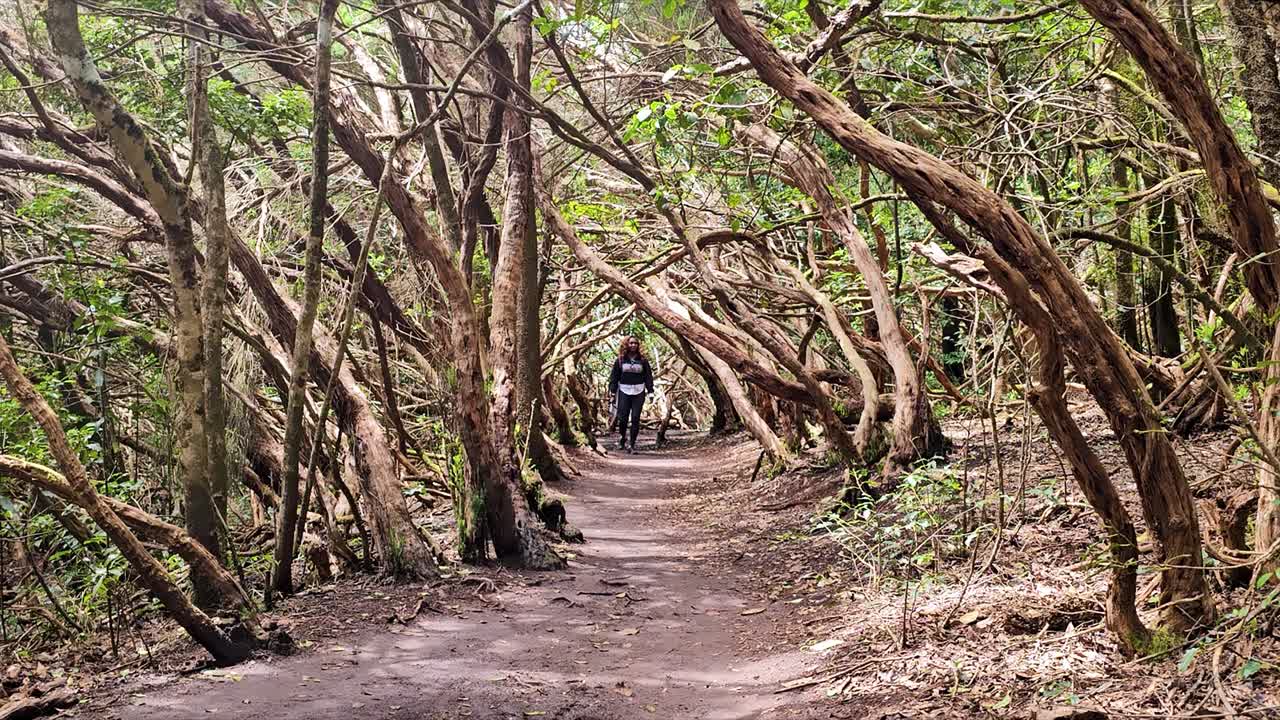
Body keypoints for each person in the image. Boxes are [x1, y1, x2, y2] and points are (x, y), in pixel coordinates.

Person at [607, 335, 653, 453]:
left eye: (635, 343)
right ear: (627, 345)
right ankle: (623, 437)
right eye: (631, 343)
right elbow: (614, 377)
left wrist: (651, 391)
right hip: (624, 390)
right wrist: (612, 391)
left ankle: (632, 445)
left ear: (638, 346)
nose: (633, 345)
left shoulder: (643, 360)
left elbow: (648, 376)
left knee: (635, 418)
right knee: (623, 418)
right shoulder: (620, 360)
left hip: (639, 390)